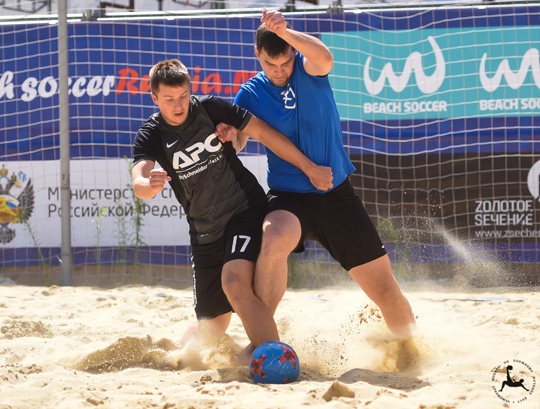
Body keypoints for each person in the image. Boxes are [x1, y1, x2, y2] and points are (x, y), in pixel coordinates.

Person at [232, 10, 418, 369]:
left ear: (292, 52)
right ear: (257, 55)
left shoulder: (308, 70)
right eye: (270, 64)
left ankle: (413, 348)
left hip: (335, 195)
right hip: (289, 197)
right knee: (273, 238)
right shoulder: (249, 94)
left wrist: (287, 32)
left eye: (285, 62)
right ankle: (261, 340)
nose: (279, 71)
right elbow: (239, 141)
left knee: (385, 289)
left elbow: (325, 56)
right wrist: (230, 136)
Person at [131, 59, 332, 346]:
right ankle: (177, 352)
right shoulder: (150, 134)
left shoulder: (210, 108)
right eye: (169, 99)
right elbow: (139, 182)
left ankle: (273, 355)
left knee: (235, 282)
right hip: (204, 230)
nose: (179, 105)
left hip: (243, 209)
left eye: (184, 96)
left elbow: (263, 133)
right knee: (211, 329)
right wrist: (148, 185)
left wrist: (308, 167)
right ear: (155, 99)